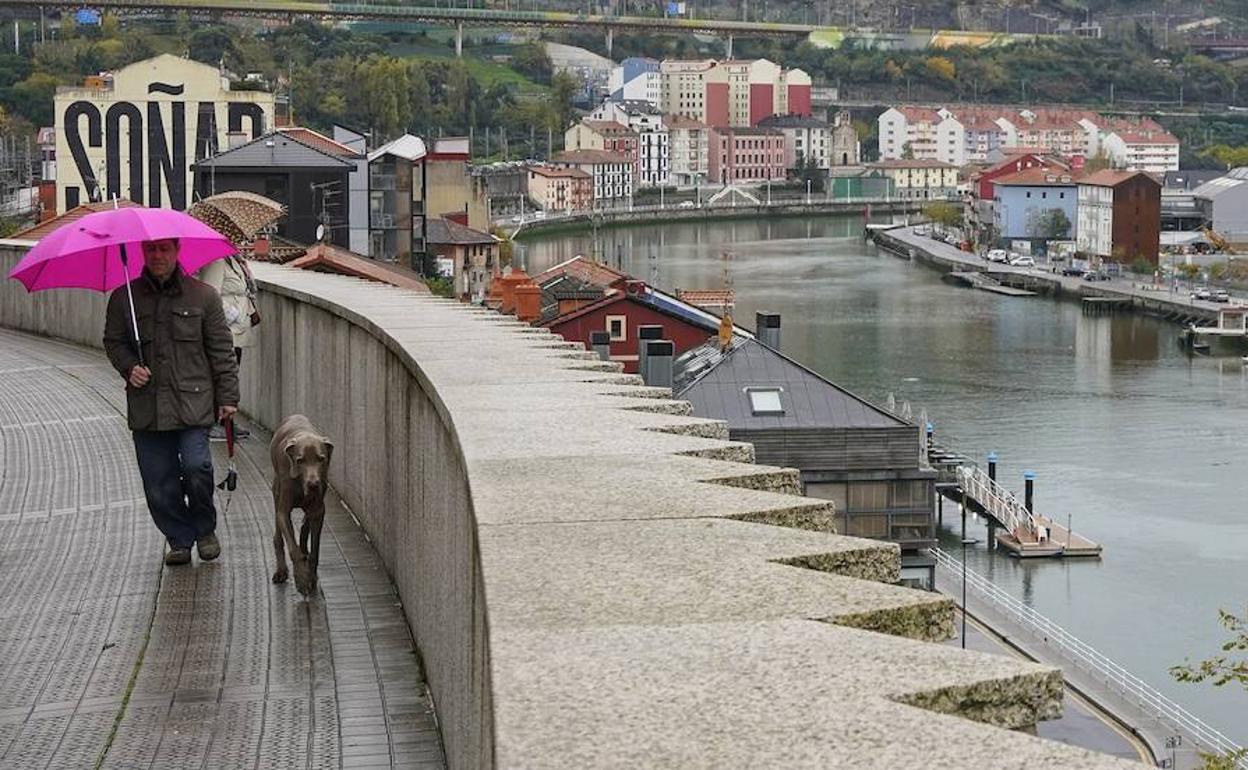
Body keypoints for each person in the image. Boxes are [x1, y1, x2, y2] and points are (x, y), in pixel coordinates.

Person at [103, 239, 240, 566]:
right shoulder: (124, 299)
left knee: (196, 467)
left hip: (193, 403)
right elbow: (113, 341)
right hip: (148, 407)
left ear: (177, 252)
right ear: (142, 253)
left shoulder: (203, 296)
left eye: (164, 249)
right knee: (158, 481)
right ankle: (179, 538)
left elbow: (222, 351)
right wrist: (129, 367)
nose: (158, 256)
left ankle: (205, 530)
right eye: (151, 250)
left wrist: (228, 397)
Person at [198, 254, 259, 439]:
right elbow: (209, 295)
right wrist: (234, 314)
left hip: (236, 331)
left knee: (231, 376)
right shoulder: (215, 261)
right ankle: (214, 421)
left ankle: (227, 422)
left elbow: (243, 290)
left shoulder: (234, 260)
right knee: (221, 376)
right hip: (224, 331)